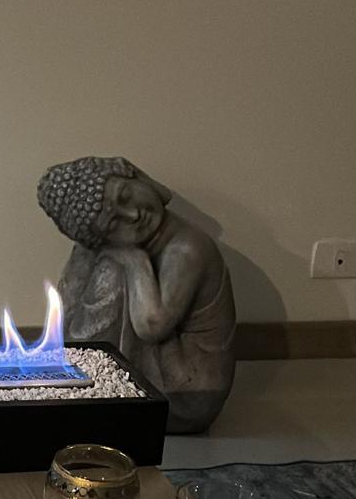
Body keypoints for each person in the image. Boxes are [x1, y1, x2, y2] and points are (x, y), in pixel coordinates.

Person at [38, 156, 236, 433]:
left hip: (191, 390)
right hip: (166, 370)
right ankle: (83, 376)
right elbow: (66, 306)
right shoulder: (127, 241)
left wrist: (135, 262)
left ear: (135, 175)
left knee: (112, 271)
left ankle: (97, 387)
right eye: (113, 225)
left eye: (125, 195)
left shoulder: (187, 249)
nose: (132, 215)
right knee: (89, 254)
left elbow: (153, 326)